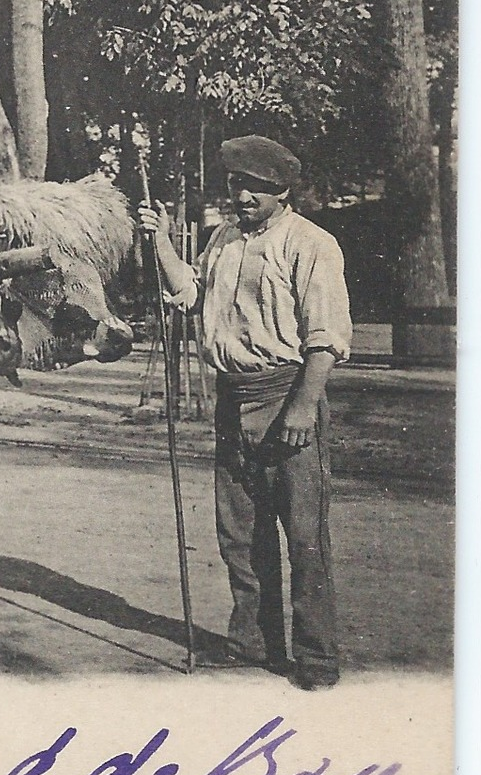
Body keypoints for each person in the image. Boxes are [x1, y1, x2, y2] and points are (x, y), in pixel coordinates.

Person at [138, 135, 352, 691]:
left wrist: (304, 406)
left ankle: (316, 657)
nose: (243, 196)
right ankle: (252, 643)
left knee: (304, 534)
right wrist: (161, 242)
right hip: (231, 398)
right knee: (239, 531)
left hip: (287, 394)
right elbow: (188, 293)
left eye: (256, 188)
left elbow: (325, 339)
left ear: (283, 192)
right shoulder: (224, 238)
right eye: (237, 184)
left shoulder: (311, 244)